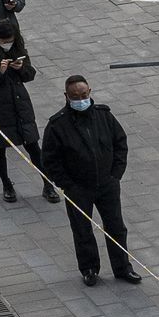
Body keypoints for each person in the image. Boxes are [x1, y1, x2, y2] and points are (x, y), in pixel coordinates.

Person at [42, 76, 138, 286]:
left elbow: (120, 143)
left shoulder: (104, 116)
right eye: (75, 97)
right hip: (78, 188)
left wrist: (116, 175)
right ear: (66, 96)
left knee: (116, 228)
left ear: (90, 92)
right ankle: (89, 269)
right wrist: (67, 184)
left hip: (107, 185)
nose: (80, 100)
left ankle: (123, 268)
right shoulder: (57, 125)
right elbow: (50, 159)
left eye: (84, 95)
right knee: (82, 230)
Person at [0, 19, 53, 203]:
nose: (8, 44)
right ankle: (6, 184)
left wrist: (21, 68)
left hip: (19, 105)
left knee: (33, 145)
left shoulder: (18, 48)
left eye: (10, 40)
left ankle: (48, 184)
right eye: (5, 41)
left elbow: (29, 74)